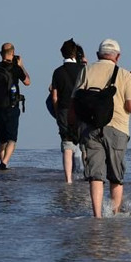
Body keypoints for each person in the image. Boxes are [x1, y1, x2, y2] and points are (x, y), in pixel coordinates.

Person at [71, 39, 131, 217]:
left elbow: (74, 101)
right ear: (118, 56)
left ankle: (97, 216)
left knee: (95, 175)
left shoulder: (86, 70)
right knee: (116, 175)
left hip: (90, 129)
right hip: (117, 128)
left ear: (98, 55)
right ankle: (114, 215)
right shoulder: (124, 75)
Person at [0, 42, 30, 170]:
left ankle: (2, 163)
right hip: (11, 105)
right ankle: (4, 163)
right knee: (12, 138)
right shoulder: (16, 68)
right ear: (13, 53)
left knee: (1, 139)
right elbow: (27, 81)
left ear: (1, 54)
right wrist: (21, 65)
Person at [51, 39, 85, 183]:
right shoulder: (83, 69)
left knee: (67, 146)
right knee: (84, 144)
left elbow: (54, 97)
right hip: (80, 109)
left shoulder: (58, 72)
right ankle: (87, 176)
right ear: (74, 53)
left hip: (64, 109)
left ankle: (68, 180)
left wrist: (57, 112)